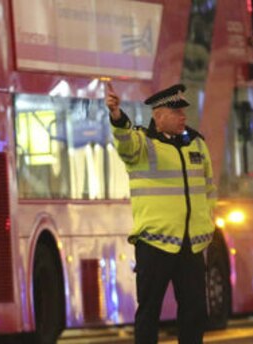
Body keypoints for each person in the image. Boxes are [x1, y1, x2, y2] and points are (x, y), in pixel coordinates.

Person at [105, 82, 216, 343]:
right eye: (176, 113)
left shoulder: (197, 144)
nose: (183, 117)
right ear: (158, 116)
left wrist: (207, 225)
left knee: (195, 311)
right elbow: (124, 142)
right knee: (149, 311)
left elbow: (209, 189)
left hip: (191, 244)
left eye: (183, 112)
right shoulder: (142, 144)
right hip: (155, 242)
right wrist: (117, 117)